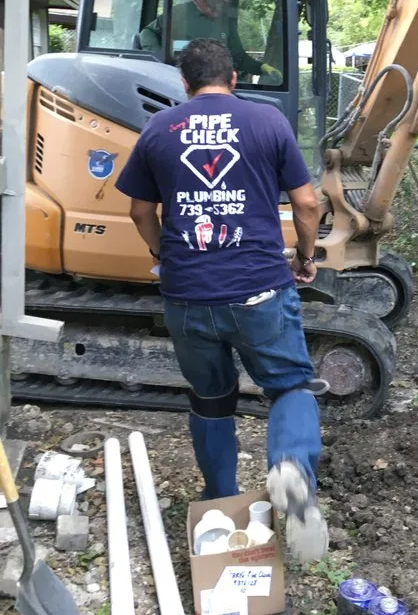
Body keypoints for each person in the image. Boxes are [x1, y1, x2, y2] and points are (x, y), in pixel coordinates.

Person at [115, 37, 328, 562]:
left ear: (183, 85)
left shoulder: (158, 129)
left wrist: (165, 256)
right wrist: (304, 257)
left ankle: (222, 504)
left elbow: (141, 213)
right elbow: (306, 203)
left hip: (186, 296)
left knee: (211, 400)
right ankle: (291, 469)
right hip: (259, 290)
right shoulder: (268, 122)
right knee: (289, 387)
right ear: (234, 80)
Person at [138, 0, 280, 82]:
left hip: (213, 86)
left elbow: (239, 58)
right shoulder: (181, 12)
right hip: (176, 83)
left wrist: (263, 68)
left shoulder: (225, 21)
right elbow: (148, 32)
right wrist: (159, 59)